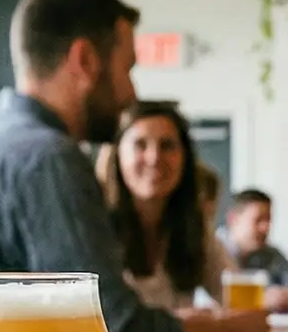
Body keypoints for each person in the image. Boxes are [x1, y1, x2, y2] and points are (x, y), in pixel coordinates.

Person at [0, 0, 267, 332]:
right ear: (85, 61)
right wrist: (225, 329)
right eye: (127, 68)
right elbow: (114, 329)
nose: (131, 93)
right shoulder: (49, 158)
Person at [99, 102, 238, 310]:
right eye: (140, 145)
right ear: (117, 155)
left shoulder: (194, 228)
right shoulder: (95, 226)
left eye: (167, 145)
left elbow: (234, 295)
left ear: (185, 159)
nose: (154, 158)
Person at [219, 189, 288, 312]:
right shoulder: (213, 251)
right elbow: (206, 305)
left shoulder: (270, 254)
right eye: (258, 219)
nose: (265, 227)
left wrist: (287, 296)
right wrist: (260, 300)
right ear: (233, 219)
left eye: (268, 220)